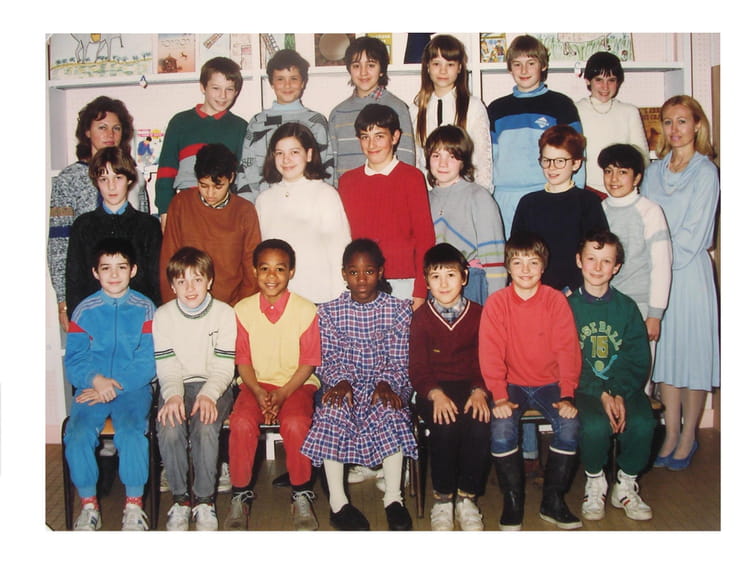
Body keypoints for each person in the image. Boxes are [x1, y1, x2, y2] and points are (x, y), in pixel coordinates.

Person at [301, 239, 417, 531]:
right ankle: (338, 504)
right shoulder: (329, 312)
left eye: (369, 272)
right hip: (345, 384)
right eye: (354, 272)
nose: (361, 279)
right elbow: (328, 357)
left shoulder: (398, 310)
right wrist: (340, 380)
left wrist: (386, 383)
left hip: (386, 382)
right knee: (333, 410)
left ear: (381, 272)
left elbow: (400, 357)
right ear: (344, 274)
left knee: (390, 410)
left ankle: (393, 499)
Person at [478, 232, 582, 530]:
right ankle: (513, 502)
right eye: (518, 262)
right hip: (511, 385)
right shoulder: (497, 303)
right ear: (507, 267)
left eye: (533, 262)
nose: (525, 269)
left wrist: (567, 394)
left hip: (550, 383)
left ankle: (553, 501)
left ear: (543, 266)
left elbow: (567, 350)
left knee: (570, 426)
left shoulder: (555, 301)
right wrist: (499, 396)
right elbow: (490, 353)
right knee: (501, 429)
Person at [640, 95, 720, 471]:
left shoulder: (706, 172)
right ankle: (670, 433)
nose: (674, 129)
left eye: (682, 121)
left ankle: (689, 435)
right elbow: (644, 219)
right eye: (668, 122)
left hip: (688, 275)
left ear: (697, 125)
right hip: (657, 275)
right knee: (667, 357)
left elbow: (696, 233)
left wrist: (663, 259)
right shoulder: (653, 171)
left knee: (692, 356)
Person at [225, 239, 320, 531]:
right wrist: (258, 392)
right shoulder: (242, 310)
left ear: (291, 272)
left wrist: (282, 394)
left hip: (296, 384)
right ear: (254, 271)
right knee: (241, 422)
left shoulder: (306, 309)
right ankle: (240, 495)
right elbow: (243, 361)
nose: (271, 276)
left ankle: (301, 492)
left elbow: (308, 362)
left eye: (280, 269)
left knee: (295, 423)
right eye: (264, 268)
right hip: (255, 384)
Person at [63, 237, 156, 531]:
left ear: (133, 270)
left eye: (121, 267)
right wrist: (96, 380)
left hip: (132, 389)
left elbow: (148, 360)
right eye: (106, 268)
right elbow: (75, 359)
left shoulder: (146, 308)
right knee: (77, 434)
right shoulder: (83, 310)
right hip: (92, 389)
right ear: (95, 272)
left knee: (131, 433)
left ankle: (134, 506)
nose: (114, 274)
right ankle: (89, 505)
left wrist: (115, 386)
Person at [568, 230, 656, 522]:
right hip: (584, 388)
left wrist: (617, 391)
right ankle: (595, 482)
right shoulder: (567, 308)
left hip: (624, 387)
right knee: (594, 425)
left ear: (616, 267)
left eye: (606, 261)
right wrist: (601, 392)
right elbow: (565, 360)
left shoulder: (626, 308)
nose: (597, 267)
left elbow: (637, 358)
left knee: (643, 421)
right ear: (579, 260)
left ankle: (625, 483)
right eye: (591, 259)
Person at [408, 243, 491, 531]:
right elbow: (417, 368)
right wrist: (435, 394)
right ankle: (443, 499)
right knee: (445, 426)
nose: (443, 284)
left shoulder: (480, 314)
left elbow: (486, 360)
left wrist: (479, 390)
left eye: (451, 275)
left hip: (471, 387)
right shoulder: (420, 318)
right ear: (426, 281)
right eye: (435, 277)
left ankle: (467, 498)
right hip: (433, 389)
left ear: (465, 277)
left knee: (479, 424)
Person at [154, 247, 236, 531]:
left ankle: (204, 500)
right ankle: (181, 500)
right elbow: (167, 366)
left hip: (215, 385)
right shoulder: (163, 316)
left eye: (197, 280)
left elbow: (224, 367)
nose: (190, 288)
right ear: (172, 285)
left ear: (209, 281)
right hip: (177, 384)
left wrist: (208, 395)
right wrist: (173, 396)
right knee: (169, 425)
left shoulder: (225, 314)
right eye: (182, 281)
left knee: (205, 424)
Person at [48, 95, 144, 330]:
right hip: (87, 291)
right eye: (102, 127)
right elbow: (59, 244)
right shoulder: (68, 179)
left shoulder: (135, 177)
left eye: (116, 128)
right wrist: (63, 301)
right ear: (87, 132)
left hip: (131, 295)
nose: (110, 134)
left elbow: (144, 244)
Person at [337, 103, 435, 310]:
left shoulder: (412, 177)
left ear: (395, 137)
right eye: (365, 137)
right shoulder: (347, 181)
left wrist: (420, 290)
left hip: (403, 281)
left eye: (379, 136)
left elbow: (425, 237)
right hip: (361, 282)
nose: (372, 144)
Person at [487, 34, 585, 235]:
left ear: (543, 65)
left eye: (531, 63)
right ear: (510, 68)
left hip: (547, 192)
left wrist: (574, 196)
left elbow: (576, 154)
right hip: (505, 198)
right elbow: (488, 159)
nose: (524, 70)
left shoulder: (561, 105)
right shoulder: (496, 109)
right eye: (517, 64)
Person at [255, 122, 351, 304]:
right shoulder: (264, 200)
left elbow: (340, 251)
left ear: (309, 154)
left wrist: (340, 300)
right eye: (280, 153)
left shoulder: (325, 194)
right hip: (277, 300)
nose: (286, 159)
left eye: (294, 152)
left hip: (319, 298)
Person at [159, 143, 261, 307]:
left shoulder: (245, 211)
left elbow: (251, 269)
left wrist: (242, 309)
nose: (210, 194)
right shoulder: (181, 203)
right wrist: (172, 308)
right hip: (186, 304)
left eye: (218, 186)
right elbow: (168, 261)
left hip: (231, 307)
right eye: (203, 186)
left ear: (231, 178)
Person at [511, 124, 609, 294]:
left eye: (560, 161)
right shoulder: (529, 203)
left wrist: (575, 288)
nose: (552, 167)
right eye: (546, 160)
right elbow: (517, 251)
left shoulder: (588, 202)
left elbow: (597, 249)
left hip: (577, 290)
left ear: (576, 163)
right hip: (536, 289)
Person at [65, 147, 162, 316]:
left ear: (129, 179)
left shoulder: (148, 226)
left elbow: (156, 281)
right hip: (94, 317)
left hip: (138, 317)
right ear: (96, 182)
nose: (111, 186)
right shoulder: (83, 226)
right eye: (104, 179)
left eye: (118, 178)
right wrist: (76, 319)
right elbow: (74, 281)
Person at [155, 57, 248, 228]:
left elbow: (243, 177)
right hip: (186, 207)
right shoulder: (180, 122)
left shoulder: (240, 127)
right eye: (216, 88)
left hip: (225, 210)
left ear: (236, 92)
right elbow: (166, 171)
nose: (223, 96)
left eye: (229, 89)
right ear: (203, 87)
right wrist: (165, 211)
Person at [598, 143, 672, 348]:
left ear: (637, 178)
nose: (614, 179)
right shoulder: (598, 210)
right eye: (608, 171)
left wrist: (655, 314)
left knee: (638, 366)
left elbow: (661, 265)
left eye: (622, 172)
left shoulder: (650, 211)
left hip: (640, 304)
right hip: (605, 303)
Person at [235, 49, 332, 202]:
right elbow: (245, 171)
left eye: (293, 78)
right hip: (266, 205)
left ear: (303, 82)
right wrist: (250, 208)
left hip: (307, 204)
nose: (287, 85)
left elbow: (326, 168)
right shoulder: (258, 122)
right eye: (280, 79)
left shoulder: (315, 122)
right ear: (271, 83)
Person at [424, 125, 506, 304]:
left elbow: (495, 260)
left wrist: (496, 304)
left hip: (471, 284)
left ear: (463, 161)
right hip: (435, 286)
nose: (443, 164)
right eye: (436, 156)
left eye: (452, 156)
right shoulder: (424, 199)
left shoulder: (479, 197)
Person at [328, 36, 415, 185]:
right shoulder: (338, 113)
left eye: (371, 65)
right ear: (349, 69)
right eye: (356, 66)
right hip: (348, 193)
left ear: (381, 69)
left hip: (387, 191)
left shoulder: (397, 108)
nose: (363, 72)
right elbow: (332, 164)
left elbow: (407, 159)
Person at [410, 34, 492, 190]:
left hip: (465, 193)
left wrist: (480, 196)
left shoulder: (473, 107)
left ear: (460, 67)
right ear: (427, 66)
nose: (443, 70)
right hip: (429, 195)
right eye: (436, 64)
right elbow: (417, 161)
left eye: (450, 64)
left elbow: (483, 161)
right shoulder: (416, 109)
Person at [575, 52, 650, 196]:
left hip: (622, 190)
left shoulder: (629, 112)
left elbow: (642, 157)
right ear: (587, 81)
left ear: (618, 82)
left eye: (611, 80)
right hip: (586, 190)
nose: (605, 87)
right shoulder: (576, 110)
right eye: (599, 80)